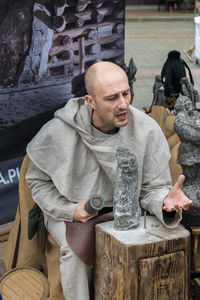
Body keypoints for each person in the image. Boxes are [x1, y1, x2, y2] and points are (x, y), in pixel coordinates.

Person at [25, 61, 192, 300]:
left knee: (165, 245)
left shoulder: (145, 129)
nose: (123, 104)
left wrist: (165, 200)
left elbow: (152, 189)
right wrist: (72, 211)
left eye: (126, 93)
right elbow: (38, 183)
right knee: (76, 256)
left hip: (128, 210)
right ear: (90, 101)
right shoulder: (58, 131)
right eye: (112, 98)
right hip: (73, 211)